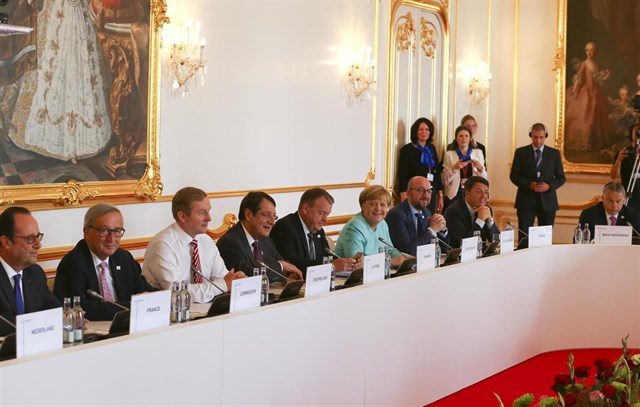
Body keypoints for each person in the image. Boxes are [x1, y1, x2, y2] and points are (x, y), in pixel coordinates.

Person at [8, 0, 112, 163]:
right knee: (49, 62)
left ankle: (83, 141)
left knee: (83, 61)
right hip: (56, 11)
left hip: (81, 11)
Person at [143, 187, 246, 303]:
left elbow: (222, 278)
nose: (209, 218)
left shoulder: (205, 240)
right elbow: (178, 294)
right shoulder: (163, 245)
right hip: (169, 314)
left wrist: (236, 280)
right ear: (182, 216)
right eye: (202, 213)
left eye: (208, 211)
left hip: (204, 311)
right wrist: (225, 284)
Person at [54, 204, 155, 321]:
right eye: (104, 230)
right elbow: (80, 309)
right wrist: (133, 305)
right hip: (94, 333)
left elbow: (144, 289)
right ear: (86, 232)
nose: (111, 239)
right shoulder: (72, 264)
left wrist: (158, 298)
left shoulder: (123, 258)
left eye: (117, 231)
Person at [270, 188, 360, 277]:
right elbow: (292, 263)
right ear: (305, 208)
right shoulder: (285, 227)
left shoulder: (318, 231)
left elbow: (327, 256)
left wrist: (347, 262)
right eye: (321, 213)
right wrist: (331, 266)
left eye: (327, 214)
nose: (325, 219)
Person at [217, 191, 303, 283]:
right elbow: (250, 276)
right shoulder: (230, 243)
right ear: (248, 214)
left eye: (274, 216)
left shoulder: (264, 238)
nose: (272, 222)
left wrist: (291, 275)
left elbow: (283, 263)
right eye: (266, 215)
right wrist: (280, 266)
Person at [0, 207, 60, 336]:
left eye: (38, 237)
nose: (39, 245)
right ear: (6, 242)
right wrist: (37, 324)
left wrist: (69, 317)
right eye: (31, 239)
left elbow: (55, 309)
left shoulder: (35, 273)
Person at [510, 123, 566, 243]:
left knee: (544, 239)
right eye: (535, 137)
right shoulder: (521, 152)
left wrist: (549, 186)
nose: (538, 140)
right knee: (524, 237)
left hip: (548, 202)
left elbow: (561, 178)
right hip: (526, 201)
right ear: (531, 136)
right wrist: (529, 184)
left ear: (545, 136)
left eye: (541, 137)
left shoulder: (554, 154)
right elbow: (514, 175)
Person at [334, 185, 408, 267]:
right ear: (362, 206)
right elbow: (356, 263)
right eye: (373, 204)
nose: (378, 208)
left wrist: (407, 259)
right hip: (350, 278)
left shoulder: (383, 224)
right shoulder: (355, 226)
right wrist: (391, 262)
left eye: (383, 204)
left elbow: (391, 251)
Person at [564, 41, 610, 153]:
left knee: (596, 117)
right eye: (587, 50)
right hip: (586, 93)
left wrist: (604, 77)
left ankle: (594, 142)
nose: (589, 52)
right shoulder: (584, 64)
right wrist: (575, 90)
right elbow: (579, 77)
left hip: (596, 92)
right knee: (586, 117)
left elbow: (598, 79)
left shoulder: (596, 63)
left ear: (595, 51)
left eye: (591, 50)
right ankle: (584, 143)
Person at [387, 176, 448, 256]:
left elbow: (443, 249)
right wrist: (432, 230)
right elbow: (409, 251)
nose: (426, 195)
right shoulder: (396, 215)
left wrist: (442, 231)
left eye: (429, 191)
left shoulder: (426, 212)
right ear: (408, 193)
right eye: (421, 190)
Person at [396, 118, 444, 214]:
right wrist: (403, 194)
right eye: (421, 129)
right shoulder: (407, 150)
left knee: (428, 219)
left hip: (430, 193)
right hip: (416, 193)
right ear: (415, 131)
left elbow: (437, 172)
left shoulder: (431, 148)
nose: (424, 132)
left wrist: (440, 194)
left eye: (427, 129)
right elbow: (403, 175)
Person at [444, 176, 500, 249]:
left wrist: (490, 221)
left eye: (486, 192)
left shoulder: (486, 209)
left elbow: (497, 241)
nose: (483, 196)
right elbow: (466, 244)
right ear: (467, 193)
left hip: (480, 255)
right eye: (479, 191)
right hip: (459, 257)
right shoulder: (453, 212)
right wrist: (480, 220)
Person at [441, 125, 487, 210]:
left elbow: (484, 180)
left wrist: (481, 169)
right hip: (454, 195)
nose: (463, 139)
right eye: (461, 136)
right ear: (456, 139)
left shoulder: (478, 153)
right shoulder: (449, 154)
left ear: (470, 139)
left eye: (466, 136)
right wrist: (454, 168)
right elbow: (444, 181)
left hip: (473, 195)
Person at [611, 125, 640, 212]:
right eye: (637, 132)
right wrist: (619, 160)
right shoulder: (624, 153)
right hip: (629, 194)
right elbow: (614, 176)